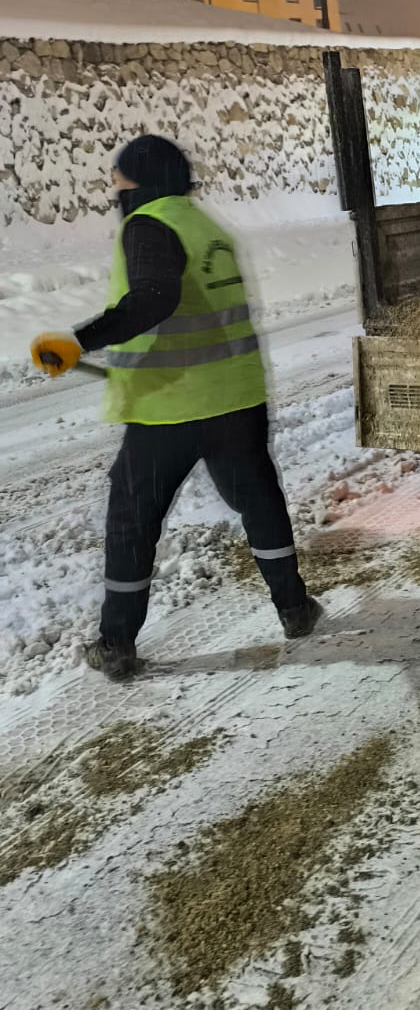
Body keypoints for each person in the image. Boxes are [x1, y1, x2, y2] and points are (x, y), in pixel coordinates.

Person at [30, 135, 320, 681]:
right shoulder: (206, 226)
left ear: (140, 179)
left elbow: (153, 298)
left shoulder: (148, 224)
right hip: (235, 398)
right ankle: (295, 607)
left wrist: (80, 340)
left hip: (169, 408)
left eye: (118, 178)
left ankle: (116, 644)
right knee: (258, 502)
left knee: (131, 522)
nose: (113, 187)